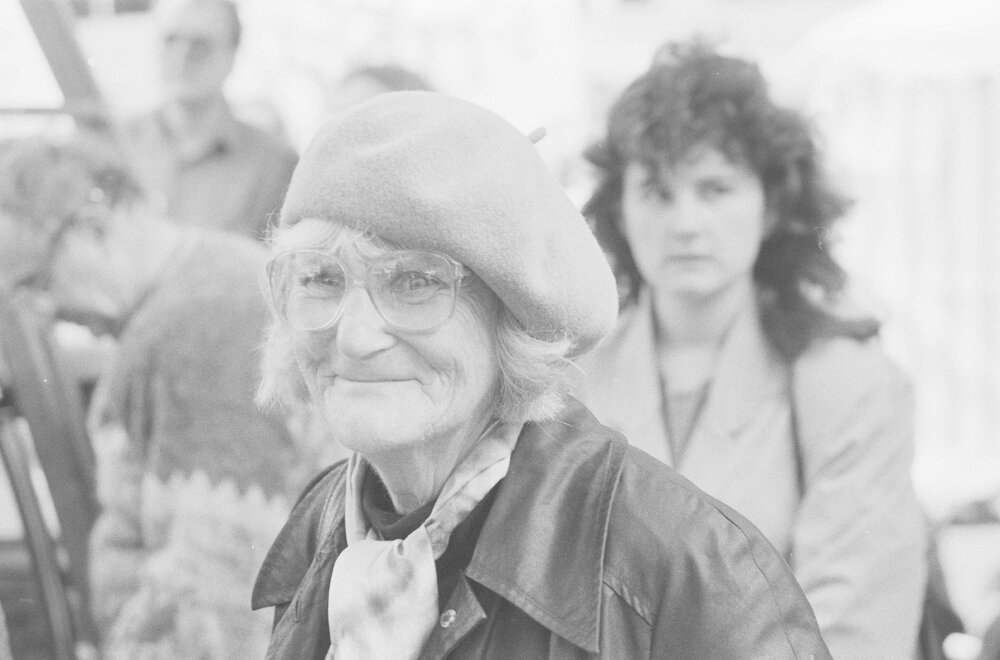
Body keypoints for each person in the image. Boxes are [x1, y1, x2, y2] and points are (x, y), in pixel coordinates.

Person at [250, 90, 832, 659]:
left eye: (414, 282)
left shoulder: (688, 569)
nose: (353, 337)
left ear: (514, 318)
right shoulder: (324, 523)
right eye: (320, 278)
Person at [574, 40, 927, 659]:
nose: (686, 222)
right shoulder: (565, 382)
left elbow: (854, 633)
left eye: (715, 188)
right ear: (620, 211)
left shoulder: (851, 384)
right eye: (657, 191)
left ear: (771, 207)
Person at [0, 134, 304, 658]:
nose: (45, 311)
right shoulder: (215, 272)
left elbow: (220, 596)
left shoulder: (190, 327)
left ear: (94, 232)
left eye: (38, 283)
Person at [119, 0, 298, 240]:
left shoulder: (274, 165)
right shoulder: (115, 145)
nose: (181, 57)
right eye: (171, 40)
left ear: (231, 56)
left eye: (200, 45)